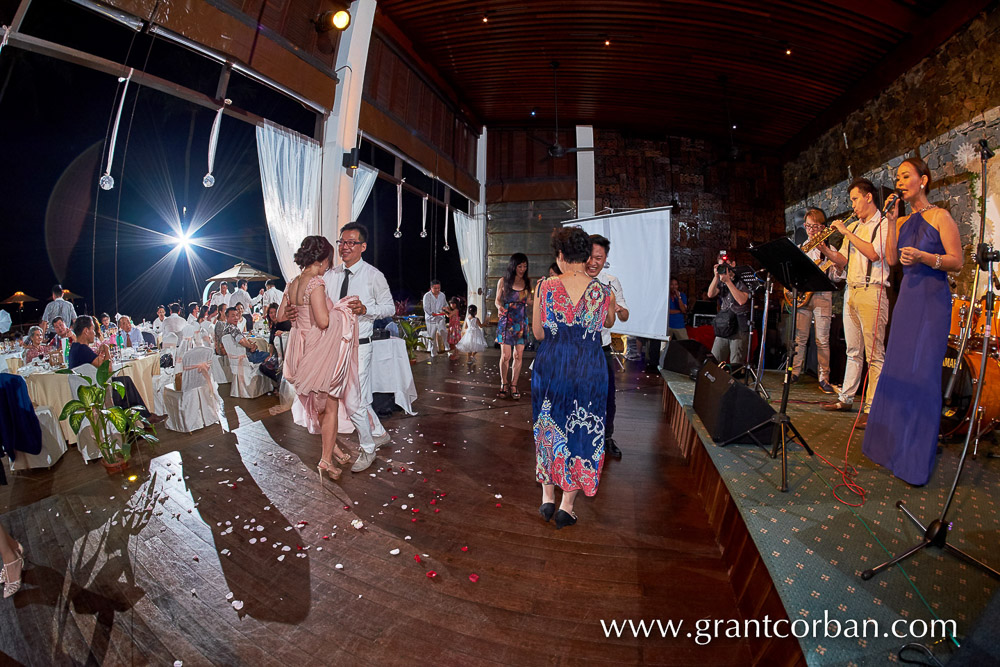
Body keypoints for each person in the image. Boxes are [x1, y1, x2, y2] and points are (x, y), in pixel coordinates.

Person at [862, 158, 962, 485]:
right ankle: (888, 448)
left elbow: (957, 261)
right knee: (899, 368)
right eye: (897, 177)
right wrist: (891, 221)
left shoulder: (940, 216)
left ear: (924, 180)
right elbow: (891, 259)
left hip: (932, 301)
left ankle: (914, 458)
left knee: (922, 373)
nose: (900, 182)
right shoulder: (901, 219)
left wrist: (924, 257)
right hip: (906, 299)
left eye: (906, 176)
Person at [532, 227, 616, 529]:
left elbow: (539, 333)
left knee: (548, 426)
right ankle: (567, 506)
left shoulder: (545, 286)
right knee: (582, 431)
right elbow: (608, 321)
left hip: (552, 365)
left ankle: (547, 498)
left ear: (561, 256)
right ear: (585, 256)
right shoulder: (603, 292)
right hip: (589, 368)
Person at [303, 222, 395, 473]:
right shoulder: (330, 275)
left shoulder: (374, 275)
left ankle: (368, 447)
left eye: (351, 243)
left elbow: (390, 308)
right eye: (342, 242)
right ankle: (378, 433)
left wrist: (367, 310)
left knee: (354, 401)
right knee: (357, 399)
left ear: (363, 247)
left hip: (360, 346)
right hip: (333, 348)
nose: (344, 247)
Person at [279, 236, 359, 483]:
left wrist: (293, 312)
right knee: (330, 405)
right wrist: (344, 310)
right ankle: (325, 460)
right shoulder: (316, 283)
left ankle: (332, 449)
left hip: (298, 347)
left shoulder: (292, 283)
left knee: (320, 406)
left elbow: (281, 314)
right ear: (323, 259)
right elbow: (324, 321)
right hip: (316, 347)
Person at [822, 178, 891, 427]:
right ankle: (846, 397)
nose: (853, 205)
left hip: (873, 291)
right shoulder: (857, 226)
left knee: (875, 355)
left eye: (854, 199)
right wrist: (826, 249)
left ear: (868, 197)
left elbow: (874, 253)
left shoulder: (882, 224)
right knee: (853, 350)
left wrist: (846, 232)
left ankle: (873, 408)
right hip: (851, 291)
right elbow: (842, 260)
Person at [69, 316, 164, 422]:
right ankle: (143, 418)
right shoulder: (83, 349)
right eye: (92, 329)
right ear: (86, 331)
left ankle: (139, 420)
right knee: (124, 383)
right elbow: (109, 369)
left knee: (124, 381)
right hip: (98, 393)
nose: (95, 333)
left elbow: (95, 364)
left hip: (88, 391)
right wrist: (106, 348)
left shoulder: (75, 348)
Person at [586, 234, 630, 459]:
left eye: (599, 258)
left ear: (605, 259)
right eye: (591, 257)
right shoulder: (577, 280)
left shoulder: (611, 281)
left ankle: (606, 437)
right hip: (579, 349)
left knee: (607, 395)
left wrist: (618, 308)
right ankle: (581, 436)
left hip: (601, 347)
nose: (593, 262)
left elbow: (623, 315)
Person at [790, 209, 840, 393]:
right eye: (808, 226)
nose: (811, 230)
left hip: (822, 297)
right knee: (800, 337)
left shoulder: (830, 250)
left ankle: (824, 377)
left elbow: (836, 277)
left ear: (823, 228)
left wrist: (838, 268)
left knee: (822, 340)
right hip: (804, 296)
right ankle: (794, 373)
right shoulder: (801, 248)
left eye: (816, 226)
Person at [495, 253, 532, 399]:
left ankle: (514, 384)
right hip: (506, 321)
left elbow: (529, 301)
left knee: (518, 355)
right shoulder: (503, 281)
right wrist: (499, 307)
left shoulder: (527, 282)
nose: (522, 269)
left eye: (525, 266)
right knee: (506, 355)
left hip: (521, 321)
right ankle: (504, 383)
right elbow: (497, 300)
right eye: (520, 266)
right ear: (513, 266)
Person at [707, 254, 750, 365]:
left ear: (733, 264)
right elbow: (710, 294)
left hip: (739, 327)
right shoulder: (721, 280)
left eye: (726, 265)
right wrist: (716, 277)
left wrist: (728, 282)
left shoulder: (742, 279)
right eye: (721, 266)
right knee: (714, 362)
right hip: (724, 325)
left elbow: (741, 300)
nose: (724, 268)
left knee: (736, 363)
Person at [423, 280, 449, 358]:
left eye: (439, 288)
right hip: (430, 319)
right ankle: (433, 352)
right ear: (431, 288)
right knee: (432, 336)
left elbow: (445, 304)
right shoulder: (427, 296)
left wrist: (445, 309)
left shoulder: (442, 295)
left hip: (440, 317)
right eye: (435, 288)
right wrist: (432, 313)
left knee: (443, 330)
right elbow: (426, 308)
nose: (437, 290)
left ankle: (446, 345)